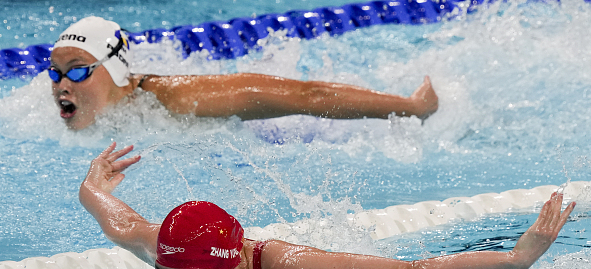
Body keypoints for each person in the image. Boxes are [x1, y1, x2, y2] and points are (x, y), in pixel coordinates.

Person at [79, 143, 575, 269]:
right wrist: (91, 186)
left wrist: (516, 260)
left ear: (226, 265)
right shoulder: (172, 254)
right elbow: (120, 223)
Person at [50, 16, 439, 130]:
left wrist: (410, 106)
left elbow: (307, 97)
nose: (61, 85)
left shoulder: (179, 98)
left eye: (78, 72)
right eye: (55, 74)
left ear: (115, 68)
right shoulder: (49, 111)